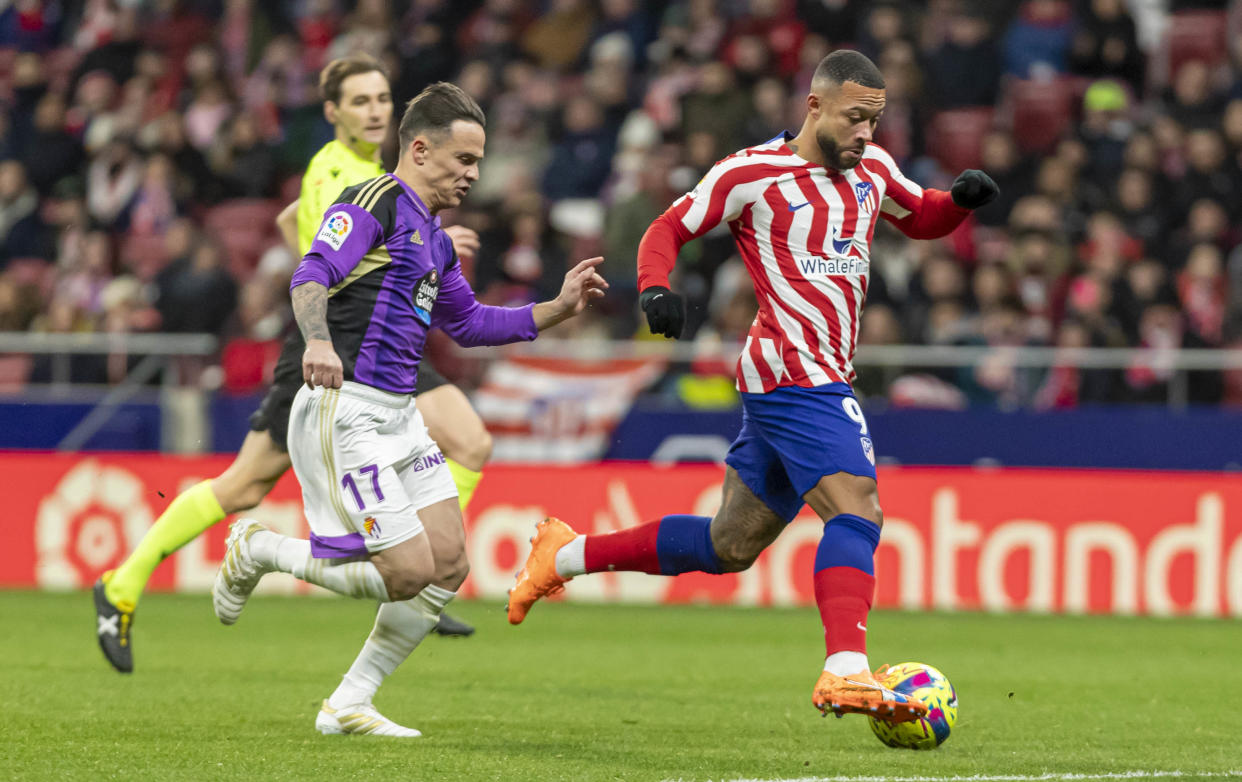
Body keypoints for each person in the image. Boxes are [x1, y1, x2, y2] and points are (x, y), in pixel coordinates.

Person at [505, 50, 998, 725]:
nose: (865, 135)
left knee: (729, 544)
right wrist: (654, 286)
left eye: (875, 123)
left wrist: (960, 203)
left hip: (795, 376)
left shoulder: (873, 169)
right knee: (857, 509)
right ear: (814, 106)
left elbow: (923, 216)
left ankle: (562, 553)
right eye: (855, 119)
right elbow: (667, 226)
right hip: (800, 374)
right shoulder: (753, 173)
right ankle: (845, 669)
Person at [211, 82, 607, 737]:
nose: (473, 176)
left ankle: (348, 703)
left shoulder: (435, 238)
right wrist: (316, 340)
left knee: (449, 564)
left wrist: (557, 309)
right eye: (464, 160)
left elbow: (473, 324)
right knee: (408, 572)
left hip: (400, 416)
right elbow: (310, 273)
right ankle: (259, 547)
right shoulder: (372, 203)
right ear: (420, 149)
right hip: (348, 409)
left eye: (478, 163)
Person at [92, 55, 479, 675]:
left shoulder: (369, 172)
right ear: (332, 113)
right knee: (248, 485)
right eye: (359, 101)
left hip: (372, 339)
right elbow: (325, 255)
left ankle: (425, 569)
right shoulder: (344, 173)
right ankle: (420, 573)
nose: (375, 109)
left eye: (382, 97)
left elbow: (287, 221)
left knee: (248, 484)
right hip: (339, 347)